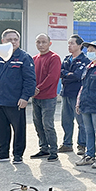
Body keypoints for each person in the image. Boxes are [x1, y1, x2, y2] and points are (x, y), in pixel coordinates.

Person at [0, 29, 36, 164]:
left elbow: (30, 80)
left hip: (16, 101)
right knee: (0, 129)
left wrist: (25, 97)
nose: (13, 42)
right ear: (2, 41)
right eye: (9, 40)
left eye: (15, 39)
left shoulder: (24, 57)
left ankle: (18, 155)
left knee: (19, 130)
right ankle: (3, 154)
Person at [30, 33, 61, 162]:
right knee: (37, 124)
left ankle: (53, 150)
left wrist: (39, 88)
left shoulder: (54, 58)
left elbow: (53, 77)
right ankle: (44, 148)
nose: (41, 45)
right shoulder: (34, 58)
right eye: (38, 42)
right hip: (35, 97)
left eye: (43, 42)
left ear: (49, 43)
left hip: (48, 97)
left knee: (47, 124)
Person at [59, 35, 89, 154]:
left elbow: (78, 75)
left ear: (80, 45)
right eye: (68, 43)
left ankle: (82, 144)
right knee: (65, 120)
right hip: (65, 93)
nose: (69, 46)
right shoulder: (67, 59)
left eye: (72, 43)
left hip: (77, 94)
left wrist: (66, 74)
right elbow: (60, 72)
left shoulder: (85, 60)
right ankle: (67, 143)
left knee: (81, 121)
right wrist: (68, 74)